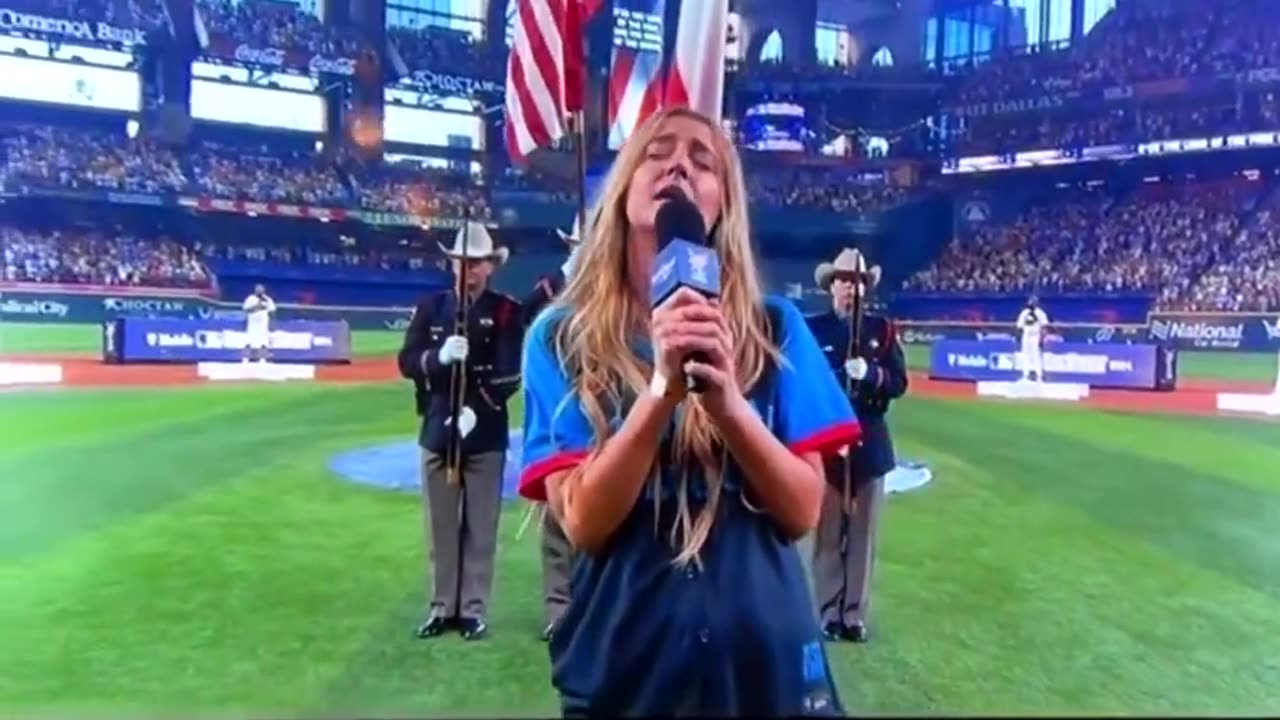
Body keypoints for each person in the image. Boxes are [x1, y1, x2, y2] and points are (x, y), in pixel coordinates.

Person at [517, 106, 859, 717]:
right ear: (622, 190)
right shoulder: (559, 337)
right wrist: (660, 393)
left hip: (768, 671)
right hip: (627, 669)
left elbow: (802, 509)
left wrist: (728, 404)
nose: (679, 164)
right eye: (658, 152)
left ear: (723, 204)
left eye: (704, 162)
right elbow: (586, 524)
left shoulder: (774, 327)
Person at [397, 221, 522, 642]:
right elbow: (408, 360)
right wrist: (438, 357)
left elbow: (508, 375)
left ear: (489, 267)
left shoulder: (505, 310)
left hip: (483, 433)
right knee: (441, 525)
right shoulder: (432, 307)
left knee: (481, 526)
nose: (466, 271)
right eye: (460, 262)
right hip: (437, 430)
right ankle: (441, 607)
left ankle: (472, 608)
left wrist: (475, 409)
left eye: (475, 264)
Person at [806, 248, 908, 644]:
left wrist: (872, 375)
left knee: (863, 535)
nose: (851, 289)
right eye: (845, 281)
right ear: (831, 287)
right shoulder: (813, 331)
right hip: (829, 443)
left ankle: (854, 614)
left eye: (858, 283)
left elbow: (898, 382)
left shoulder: (882, 331)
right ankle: (828, 610)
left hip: (869, 444)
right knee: (829, 533)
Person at [520, 213, 586, 642]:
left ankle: (593, 606)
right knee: (555, 523)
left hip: (602, 415)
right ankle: (559, 610)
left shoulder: (613, 288)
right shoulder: (550, 290)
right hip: (557, 412)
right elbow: (525, 324)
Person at [1016, 295, 1050, 382]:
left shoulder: (1040, 313)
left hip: (1036, 335)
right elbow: (1019, 326)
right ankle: (1025, 375)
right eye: (1031, 302)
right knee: (1025, 355)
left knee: (1037, 356)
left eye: (1033, 302)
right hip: (1026, 335)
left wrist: (1042, 338)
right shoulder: (1024, 313)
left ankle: (1039, 376)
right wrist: (1019, 336)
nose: (1032, 303)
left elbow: (1044, 326)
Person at [241, 283, 275, 363]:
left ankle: (262, 359)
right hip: (252, 325)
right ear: (255, 290)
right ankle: (245, 359)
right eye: (258, 289)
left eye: (261, 289)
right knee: (249, 342)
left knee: (263, 342)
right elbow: (245, 310)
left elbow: (272, 311)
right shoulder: (250, 299)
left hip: (263, 325)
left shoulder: (268, 299)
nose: (259, 291)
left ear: (264, 290)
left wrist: (271, 323)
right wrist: (257, 307)